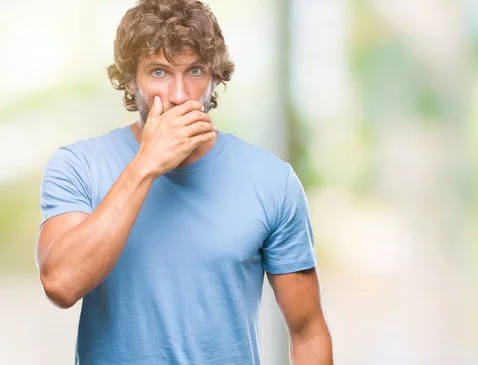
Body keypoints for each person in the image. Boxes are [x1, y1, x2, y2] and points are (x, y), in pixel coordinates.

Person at [35, 0, 333, 364]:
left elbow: (307, 333)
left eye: (194, 70)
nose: (179, 95)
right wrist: (145, 165)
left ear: (214, 77)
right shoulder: (78, 167)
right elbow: (60, 284)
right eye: (158, 72)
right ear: (131, 80)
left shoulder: (272, 181)